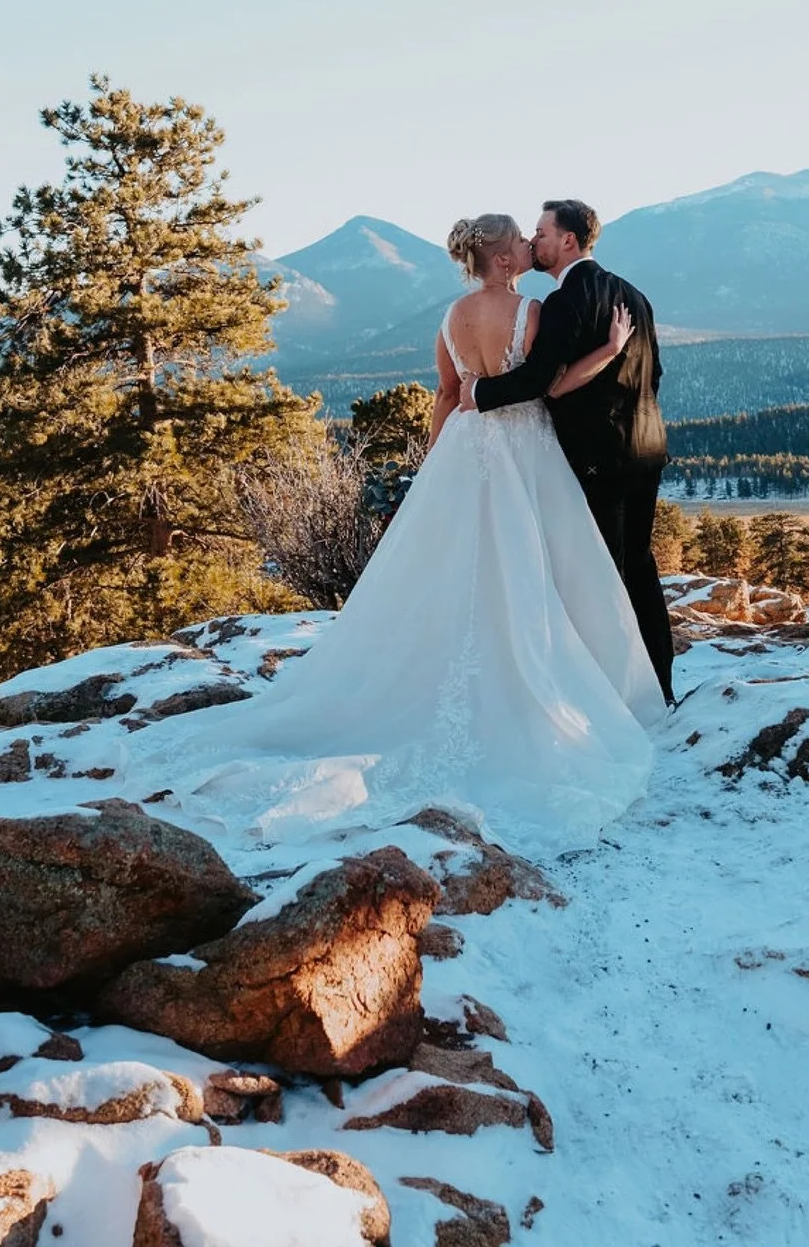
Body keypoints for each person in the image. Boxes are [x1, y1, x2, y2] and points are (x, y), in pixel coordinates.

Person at [132, 212, 664, 857]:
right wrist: (605, 354)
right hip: (523, 450)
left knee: (452, 566)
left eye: (537, 236)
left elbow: (447, 393)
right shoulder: (534, 311)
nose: (531, 244)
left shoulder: (450, 317)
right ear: (503, 260)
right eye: (521, 241)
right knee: (534, 562)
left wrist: (436, 465)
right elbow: (544, 386)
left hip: (464, 447)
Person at [458, 200, 675, 705]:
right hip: (647, 450)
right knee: (640, 567)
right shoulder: (634, 295)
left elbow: (540, 380)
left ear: (568, 241)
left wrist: (480, 394)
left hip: (597, 457)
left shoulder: (563, 302)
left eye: (541, 232)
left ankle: (617, 695)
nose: (534, 241)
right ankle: (660, 686)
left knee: (602, 575)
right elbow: (654, 374)